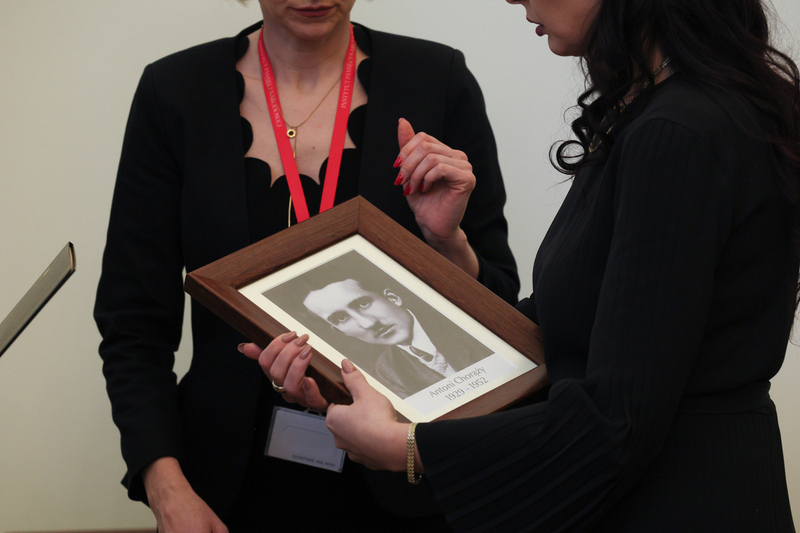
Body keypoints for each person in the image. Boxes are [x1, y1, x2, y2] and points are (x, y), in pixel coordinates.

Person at [251, 0, 800, 531]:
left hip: (682, 502)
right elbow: (567, 336)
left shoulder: (677, 130)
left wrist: (407, 448)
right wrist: (365, 370)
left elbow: (617, 416)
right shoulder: (660, 113)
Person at [94, 0, 519, 531]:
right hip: (229, 480)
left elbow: (501, 306)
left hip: (405, 477)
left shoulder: (436, 80)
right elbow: (132, 323)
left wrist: (446, 240)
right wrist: (166, 488)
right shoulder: (176, 91)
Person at [265, 250, 493, 398]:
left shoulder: (466, 325)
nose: (366, 323)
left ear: (392, 297)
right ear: (337, 330)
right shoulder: (387, 370)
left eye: (363, 304)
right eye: (341, 318)